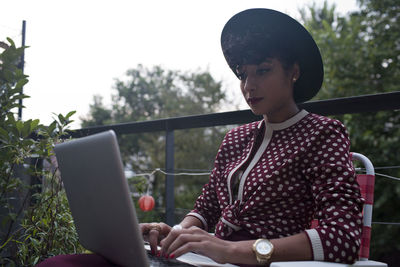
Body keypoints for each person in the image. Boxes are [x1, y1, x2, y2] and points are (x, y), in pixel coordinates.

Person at [141, 8, 364, 266]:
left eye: (263, 70)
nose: (248, 85)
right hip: (212, 261)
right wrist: (177, 234)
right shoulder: (236, 138)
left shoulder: (321, 133)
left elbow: (343, 236)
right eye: (243, 74)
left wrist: (234, 251)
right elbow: (207, 208)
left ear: (294, 71)